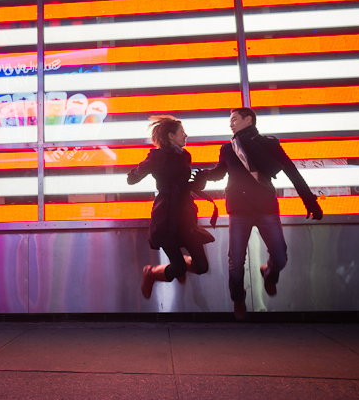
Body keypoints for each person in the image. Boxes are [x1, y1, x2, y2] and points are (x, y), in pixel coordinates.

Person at [198, 107, 323, 320]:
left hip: (266, 207)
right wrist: (203, 176)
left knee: (280, 257)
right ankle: (238, 298)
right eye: (230, 120)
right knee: (235, 262)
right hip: (239, 208)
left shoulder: (269, 144)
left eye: (235, 119)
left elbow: (291, 170)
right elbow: (219, 172)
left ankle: (268, 271)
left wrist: (310, 200)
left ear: (249, 119)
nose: (231, 123)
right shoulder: (228, 148)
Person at [127, 115, 217, 299]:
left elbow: (186, 184)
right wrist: (140, 170)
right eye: (182, 132)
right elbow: (132, 179)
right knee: (179, 268)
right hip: (166, 215)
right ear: (170, 136)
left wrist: (200, 181)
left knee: (202, 267)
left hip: (185, 213)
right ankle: (151, 273)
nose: (186, 135)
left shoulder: (185, 155)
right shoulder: (156, 157)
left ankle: (173, 265)